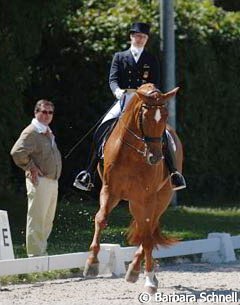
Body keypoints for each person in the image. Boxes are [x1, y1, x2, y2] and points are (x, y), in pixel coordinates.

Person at [74, 22, 186, 192]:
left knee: (159, 130)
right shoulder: (120, 56)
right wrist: (117, 91)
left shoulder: (151, 59)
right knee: (102, 127)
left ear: (146, 39)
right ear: (131, 37)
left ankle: (173, 172)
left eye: (143, 37)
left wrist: (150, 96)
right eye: (137, 36)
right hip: (124, 97)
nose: (140, 39)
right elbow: (112, 79)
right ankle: (88, 172)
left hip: (145, 101)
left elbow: (155, 82)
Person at [10, 99, 62, 257]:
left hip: (52, 181)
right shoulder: (32, 131)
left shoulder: (46, 131)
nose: (47, 115)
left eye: (50, 112)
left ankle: (41, 252)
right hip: (40, 181)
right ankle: (34, 256)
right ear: (36, 112)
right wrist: (31, 167)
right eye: (44, 112)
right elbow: (17, 152)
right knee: (37, 219)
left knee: (47, 220)